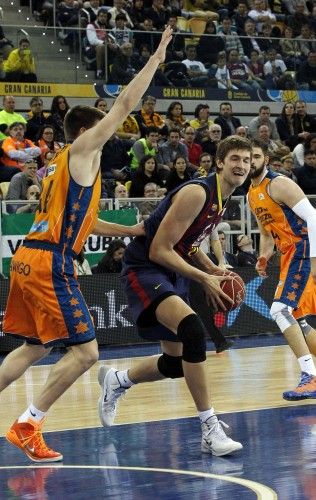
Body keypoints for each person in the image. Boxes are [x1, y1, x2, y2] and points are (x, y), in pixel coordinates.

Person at [0, 26, 173, 463]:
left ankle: (27, 422)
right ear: (87, 129)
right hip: (49, 262)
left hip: (28, 258)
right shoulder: (83, 147)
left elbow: (86, 220)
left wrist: (131, 232)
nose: (110, 127)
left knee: (33, 346)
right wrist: (156, 58)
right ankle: (29, 423)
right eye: (103, 124)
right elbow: (126, 104)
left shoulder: (65, 165)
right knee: (86, 353)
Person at [97, 135, 253, 457]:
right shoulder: (198, 192)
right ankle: (209, 428)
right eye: (235, 158)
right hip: (146, 266)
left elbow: (190, 243)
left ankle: (118, 380)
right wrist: (204, 277)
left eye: (247, 160)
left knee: (176, 363)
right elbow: (159, 248)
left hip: (172, 269)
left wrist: (213, 268)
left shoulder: (223, 198)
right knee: (194, 331)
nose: (241, 165)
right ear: (220, 162)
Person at [248, 139, 316, 401]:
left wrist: (313, 259)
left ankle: (309, 376)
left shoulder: (278, 184)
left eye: (254, 157)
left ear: (265, 158)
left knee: (280, 310)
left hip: (302, 248)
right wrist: (264, 256)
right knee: (297, 319)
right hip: (288, 254)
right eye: (245, 158)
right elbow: (266, 232)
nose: (249, 162)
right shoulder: (252, 193)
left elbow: (312, 216)